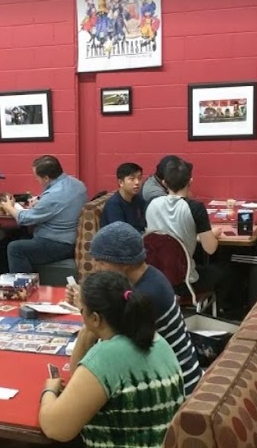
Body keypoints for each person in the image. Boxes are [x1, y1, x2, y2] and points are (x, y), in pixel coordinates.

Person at [0, 271, 185, 448]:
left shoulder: (109, 355)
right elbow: (78, 378)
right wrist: (87, 335)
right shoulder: (154, 340)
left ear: (95, 318)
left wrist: (48, 391)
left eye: (82, 312)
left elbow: (55, 428)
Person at [67, 222, 202, 395]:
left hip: (177, 388)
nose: (96, 268)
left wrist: (85, 307)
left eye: (101, 262)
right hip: (177, 374)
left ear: (125, 264)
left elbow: (96, 343)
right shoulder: (150, 276)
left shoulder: (146, 296)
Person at [146, 158, 224, 291]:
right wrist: (212, 235)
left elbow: (163, 237)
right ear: (190, 181)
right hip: (185, 281)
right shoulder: (195, 208)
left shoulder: (151, 204)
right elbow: (210, 249)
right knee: (225, 271)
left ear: (164, 183)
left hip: (157, 278)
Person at [1, 155, 88, 273]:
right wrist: (40, 202)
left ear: (46, 178)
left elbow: (25, 219)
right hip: (72, 238)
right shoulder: (77, 183)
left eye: (37, 177)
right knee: (18, 235)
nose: (37, 180)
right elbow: (58, 205)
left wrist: (9, 207)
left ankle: (24, 284)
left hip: (59, 244)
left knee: (15, 248)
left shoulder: (54, 195)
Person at [100, 162, 147, 232]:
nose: (137, 182)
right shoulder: (113, 204)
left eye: (139, 178)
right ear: (120, 182)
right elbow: (120, 233)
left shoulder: (138, 198)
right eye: (132, 179)